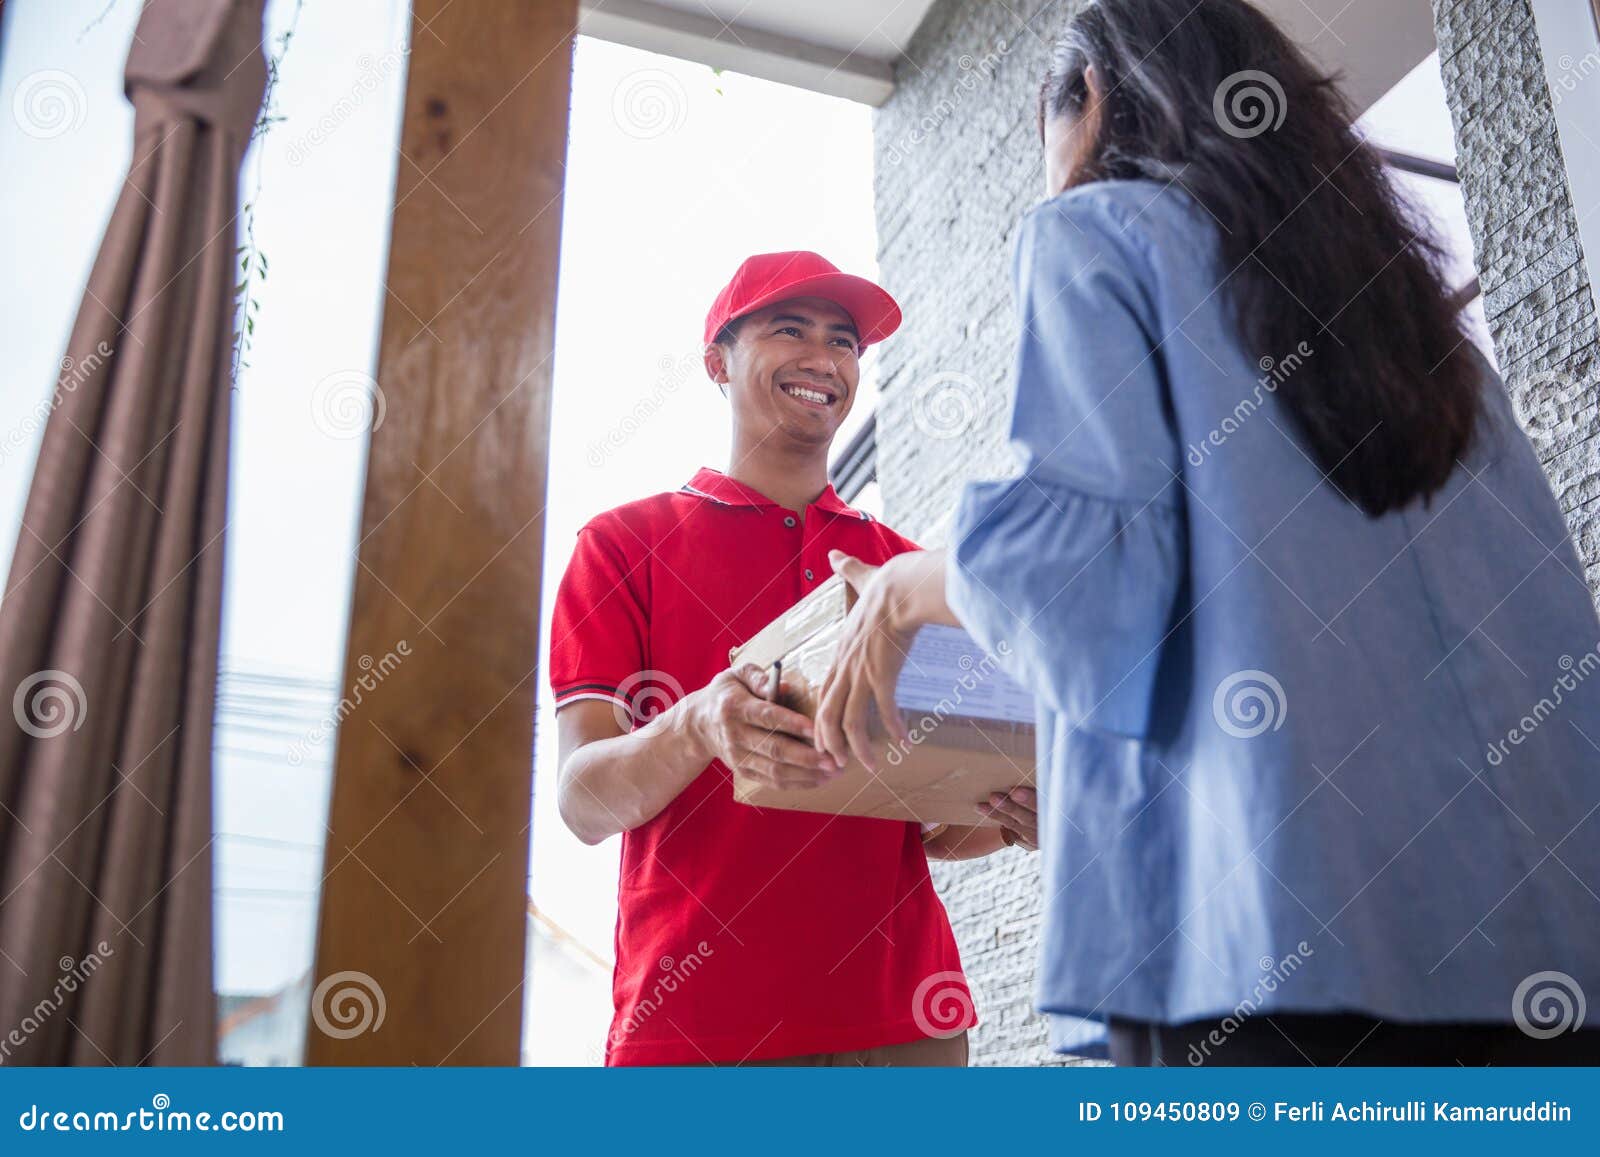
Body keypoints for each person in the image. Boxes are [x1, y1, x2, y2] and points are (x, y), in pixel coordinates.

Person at [817, 0, 1600, 1066]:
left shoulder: (1097, 233)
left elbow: (1082, 572)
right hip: (1547, 941)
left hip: (1272, 949)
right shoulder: (1428, 342)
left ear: (1089, 98)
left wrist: (906, 588)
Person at [548, 251, 1033, 1067]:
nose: (823, 358)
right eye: (789, 329)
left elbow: (941, 826)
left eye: (843, 341)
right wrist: (698, 720)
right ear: (717, 361)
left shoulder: (901, 572)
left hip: (906, 1029)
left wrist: (1023, 808)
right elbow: (583, 802)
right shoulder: (622, 548)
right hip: (700, 1028)